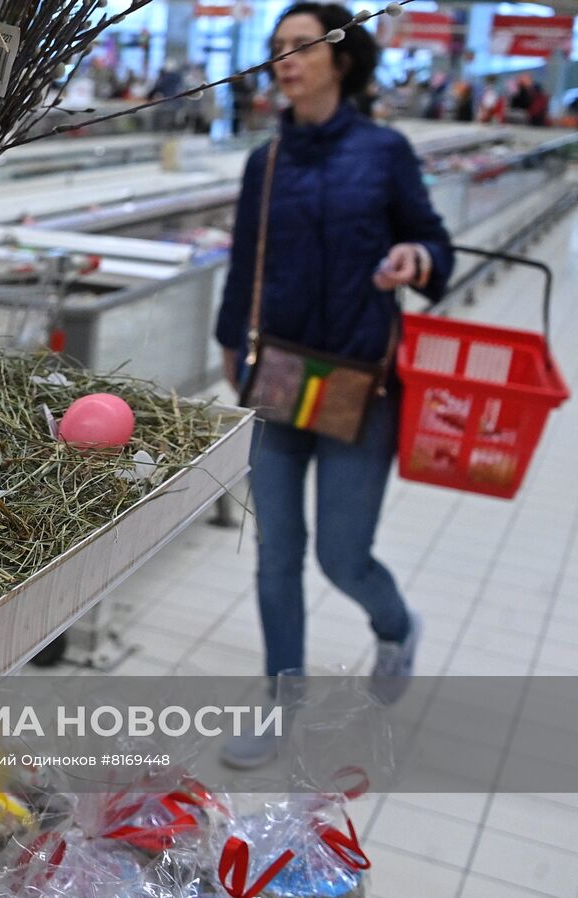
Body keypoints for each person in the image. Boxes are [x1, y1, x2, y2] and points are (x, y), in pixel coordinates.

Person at [213, 2, 453, 769]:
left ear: (340, 59)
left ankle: (395, 625)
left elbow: (434, 240)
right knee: (276, 553)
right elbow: (244, 261)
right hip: (280, 376)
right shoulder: (267, 162)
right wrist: (228, 345)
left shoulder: (384, 152)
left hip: (362, 381)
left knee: (343, 557)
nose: (285, 59)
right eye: (277, 48)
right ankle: (283, 704)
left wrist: (417, 258)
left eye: (302, 46)